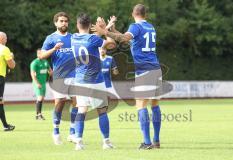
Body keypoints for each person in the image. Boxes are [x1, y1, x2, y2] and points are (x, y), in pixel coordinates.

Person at [93, 4, 162, 149]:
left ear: (132, 14)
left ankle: (147, 143)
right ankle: (156, 140)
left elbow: (124, 37)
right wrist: (111, 30)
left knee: (141, 105)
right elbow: (128, 40)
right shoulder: (150, 27)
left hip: (144, 70)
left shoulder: (135, 27)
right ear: (146, 15)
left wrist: (105, 31)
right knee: (155, 105)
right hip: (156, 68)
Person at [72, 13, 116, 150]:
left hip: (79, 80)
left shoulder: (73, 38)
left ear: (78, 25)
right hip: (96, 79)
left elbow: (92, 39)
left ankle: (78, 142)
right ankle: (106, 142)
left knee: (81, 110)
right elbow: (111, 44)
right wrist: (105, 30)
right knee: (102, 111)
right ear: (90, 25)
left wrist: (104, 28)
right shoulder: (92, 39)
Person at [40, 12, 78, 145]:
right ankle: (55, 131)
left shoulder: (73, 37)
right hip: (59, 76)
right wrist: (54, 49)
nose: (64, 23)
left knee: (77, 103)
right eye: (61, 21)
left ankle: (72, 132)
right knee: (60, 102)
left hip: (74, 75)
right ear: (56, 23)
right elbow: (42, 55)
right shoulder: (50, 38)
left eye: (66, 21)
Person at [30, 49, 52, 120]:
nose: (41, 54)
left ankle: (37, 114)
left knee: (41, 98)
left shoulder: (45, 62)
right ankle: (39, 114)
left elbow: (50, 71)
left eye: (42, 53)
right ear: (37, 54)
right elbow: (32, 74)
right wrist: (37, 83)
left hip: (43, 83)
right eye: (39, 53)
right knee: (39, 98)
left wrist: (52, 74)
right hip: (37, 83)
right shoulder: (34, 63)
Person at [0, 31, 16, 131]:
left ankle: (5, 125)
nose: (6, 40)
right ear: (1, 39)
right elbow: (12, 65)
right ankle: (5, 125)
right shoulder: (4, 49)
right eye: (5, 38)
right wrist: (12, 58)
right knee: (0, 102)